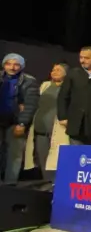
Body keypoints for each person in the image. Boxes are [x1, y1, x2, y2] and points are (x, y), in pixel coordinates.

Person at [57, 46, 91, 145]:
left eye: (87, 58)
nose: (82, 61)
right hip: (76, 126)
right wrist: (62, 116)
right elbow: (63, 96)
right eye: (81, 57)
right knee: (76, 154)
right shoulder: (73, 73)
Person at [24, 63, 69, 180]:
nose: (54, 72)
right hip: (41, 130)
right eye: (53, 70)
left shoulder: (69, 88)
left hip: (58, 130)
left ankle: (57, 183)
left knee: (57, 159)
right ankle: (47, 182)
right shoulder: (45, 85)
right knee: (43, 158)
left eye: (58, 70)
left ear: (66, 73)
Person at [0, 53, 39, 183]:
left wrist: (22, 123)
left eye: (16, 64)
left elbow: (31, 104)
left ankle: (10, 184)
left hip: (16, 121)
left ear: (21, 66)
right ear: (4, 65)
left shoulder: (29, 81)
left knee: (14, 153)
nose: (12, 67)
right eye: (8, 64)